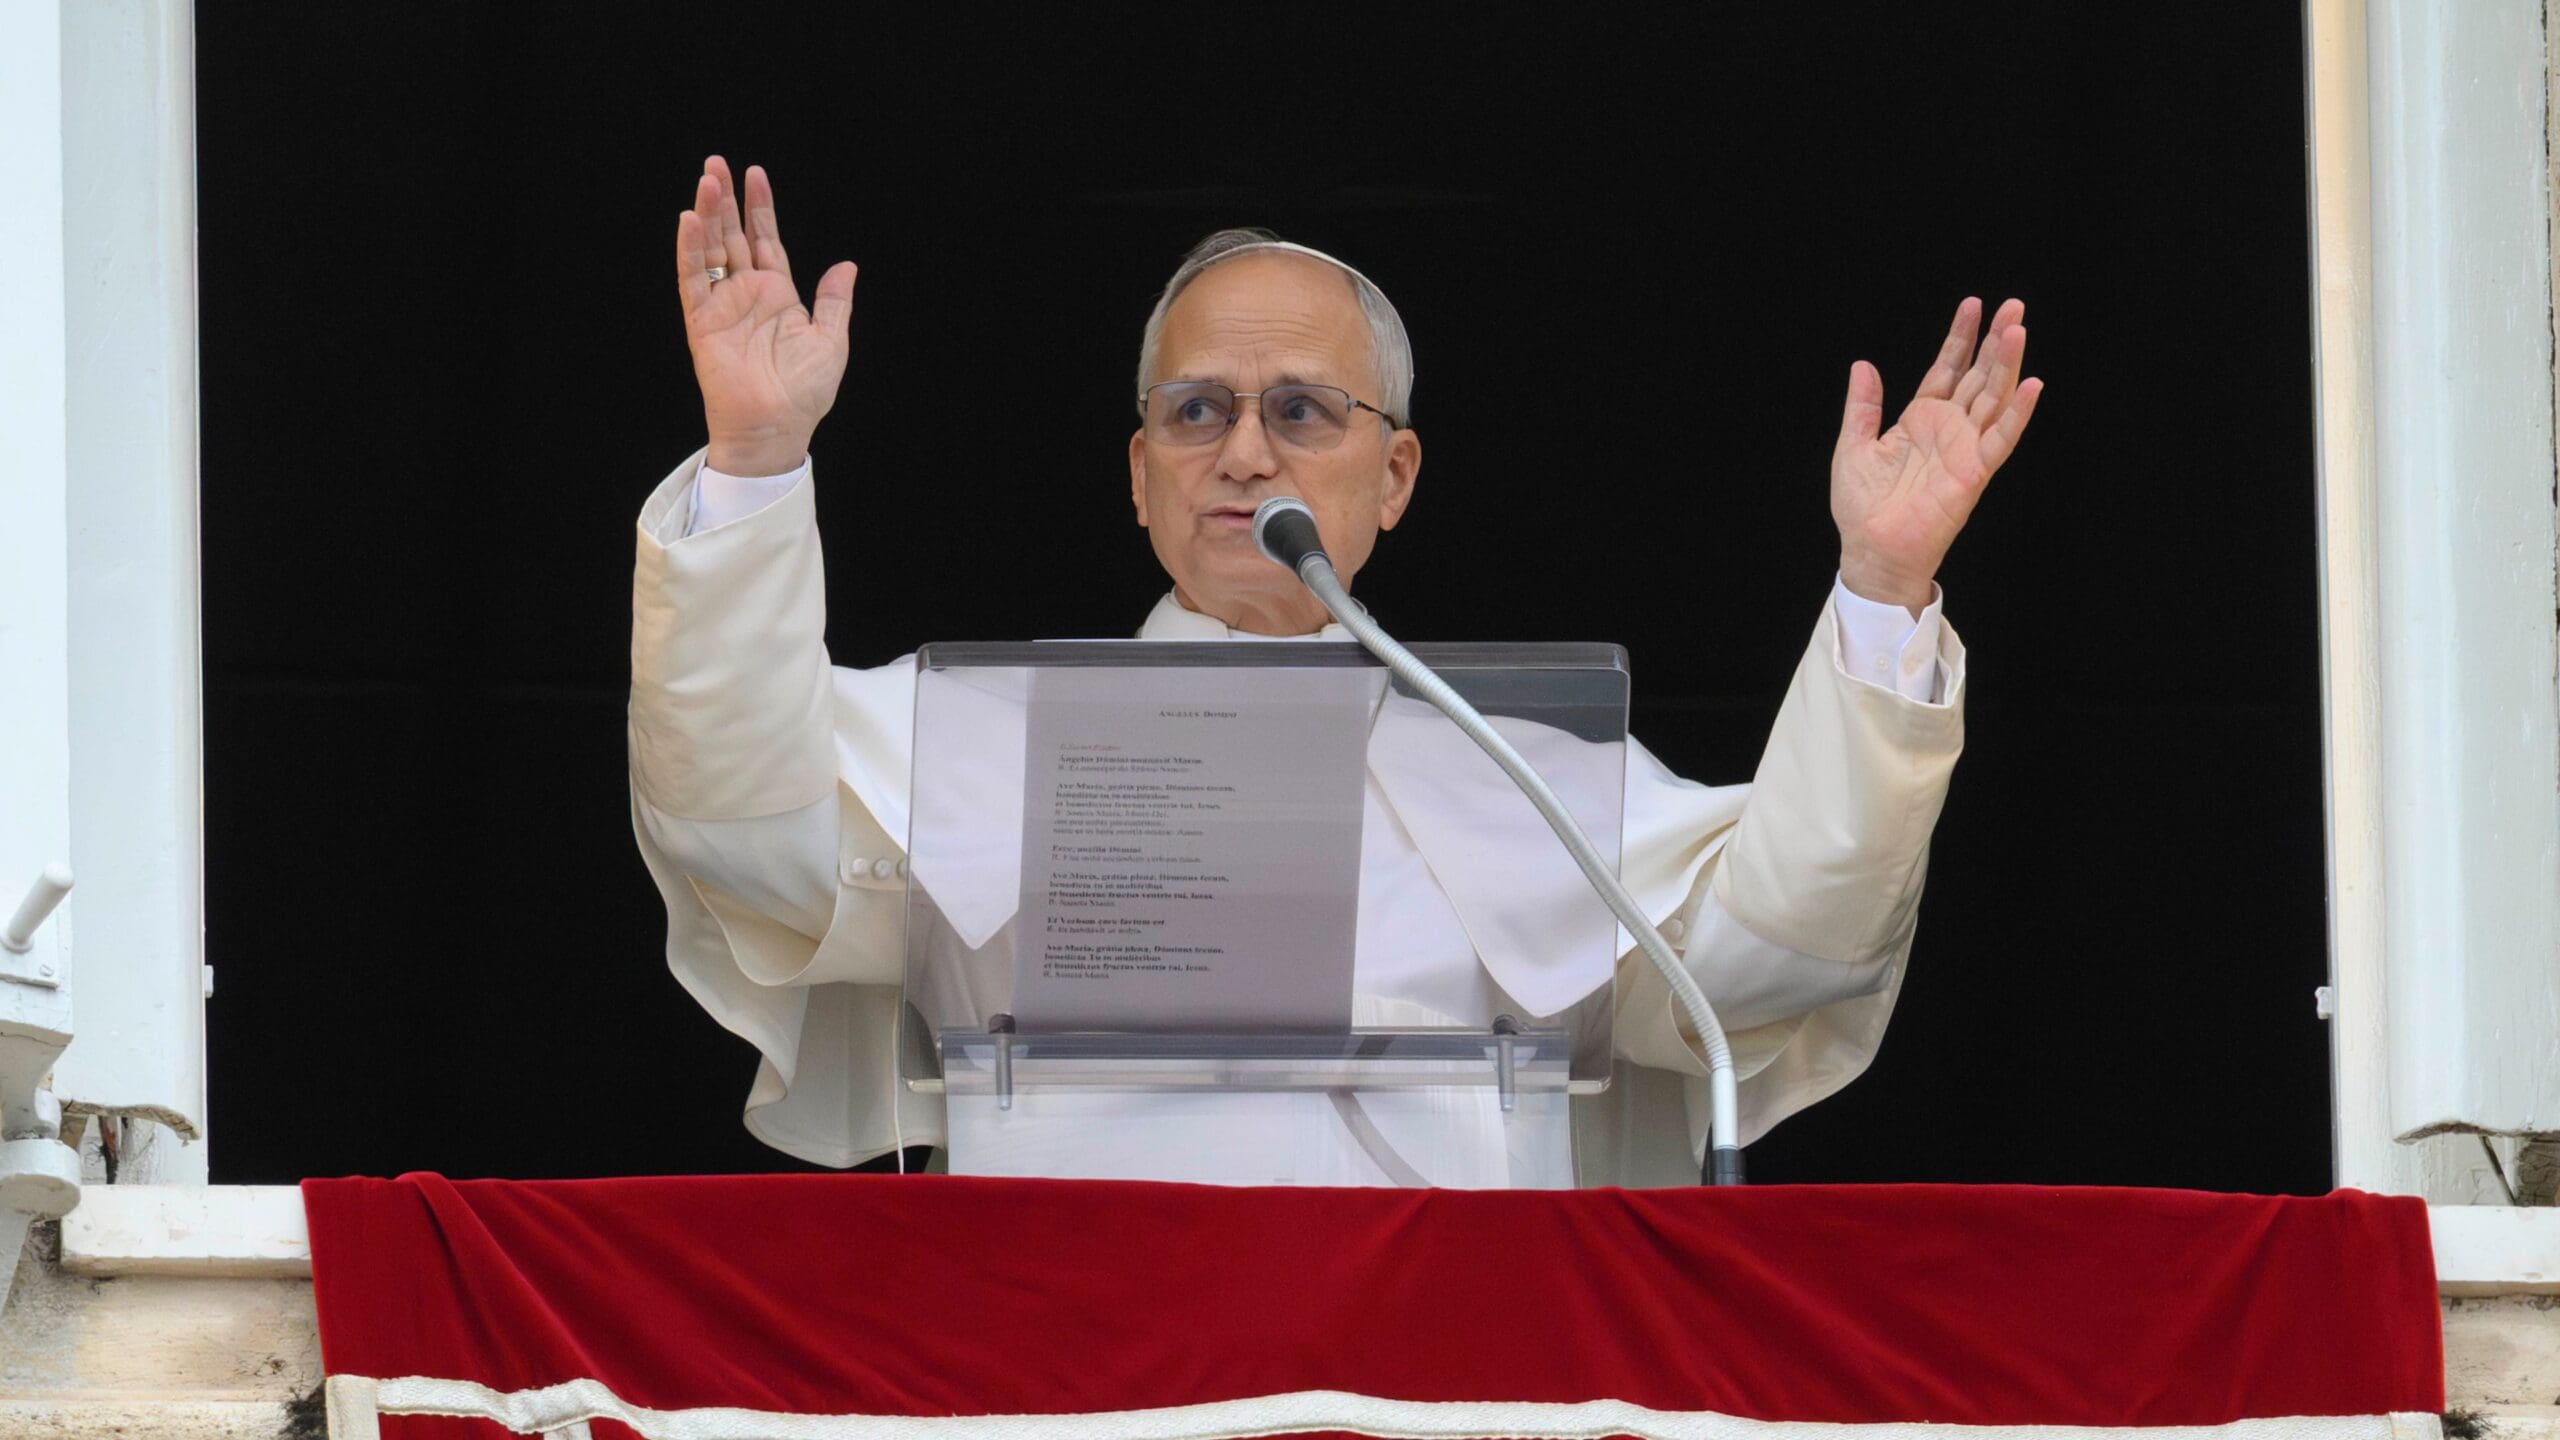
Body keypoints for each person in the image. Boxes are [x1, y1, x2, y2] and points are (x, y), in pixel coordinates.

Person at [629, 156, 2042, 1186]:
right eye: (1197, 411)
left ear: (1396, 475)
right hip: (1081, 1367)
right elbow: (745, 840)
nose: (1245, 454)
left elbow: (1776, 954)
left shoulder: (1528, 779)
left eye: (1303, 411)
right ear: (1140, 474)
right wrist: (755, 461)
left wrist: (1882, 588)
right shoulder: (972, 736)